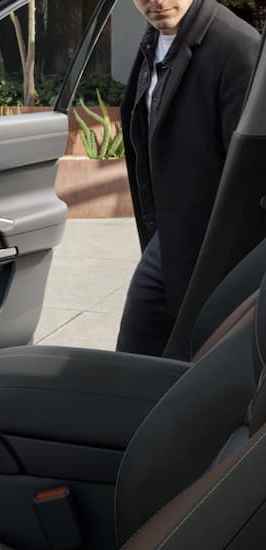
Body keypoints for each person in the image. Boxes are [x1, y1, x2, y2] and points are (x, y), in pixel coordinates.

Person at [116, 0, 260, 357]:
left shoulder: (236, 46)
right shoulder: (156, 38)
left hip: (211, 247)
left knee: (188, 358)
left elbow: (248, 174)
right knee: (138, 353)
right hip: (167, 236)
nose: (157, 0)